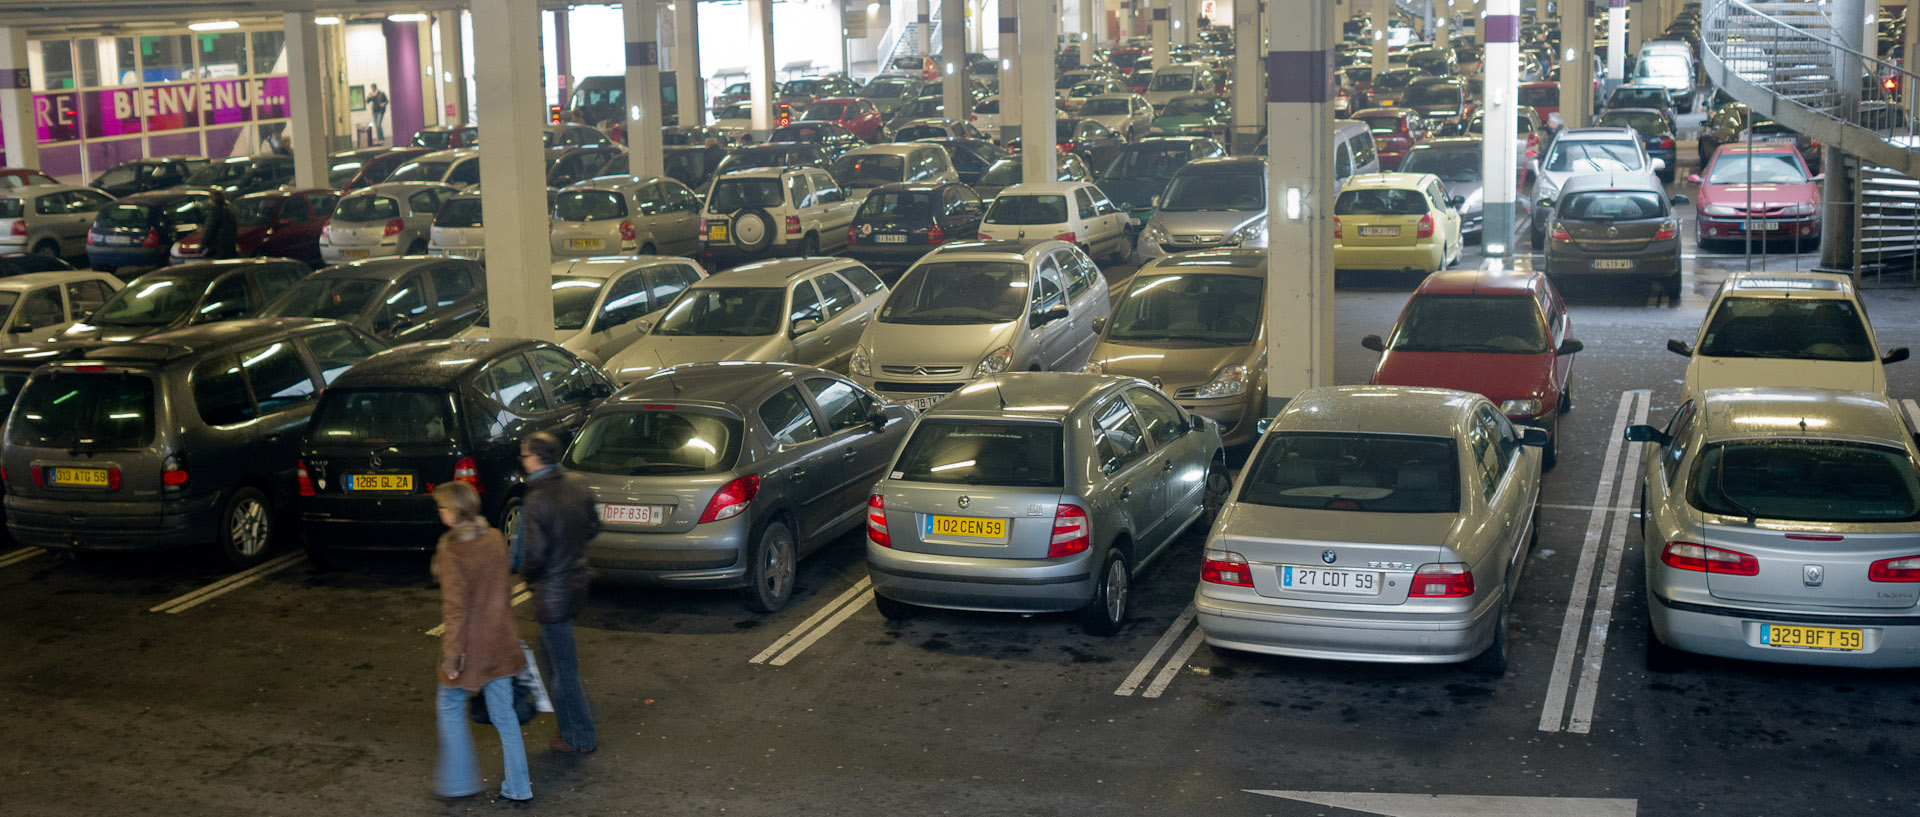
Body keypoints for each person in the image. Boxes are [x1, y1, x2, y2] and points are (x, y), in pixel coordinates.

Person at [431, 481, 532, 803]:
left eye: (442, 507)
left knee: (449, 705)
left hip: (471, 648)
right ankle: (519, 787)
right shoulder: (493, 538)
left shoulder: (451, 548)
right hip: (500, 641)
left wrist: (452, 657)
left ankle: (459, 781)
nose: (439, 512)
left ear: (455, 511)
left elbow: (457, 610)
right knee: (504, 716)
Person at [518, 431, 599, 754]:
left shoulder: (537, 499)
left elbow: (534, 556)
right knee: (551, 657)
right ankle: (570, 726)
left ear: (537, 458)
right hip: (576, 583)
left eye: (524, 455)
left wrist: (527, 576)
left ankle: (580, 736)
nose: (522, 461)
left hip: (553, 593)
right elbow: (593, 526)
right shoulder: (577, 483)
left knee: (563, 671)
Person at [201, 190, 238, 260]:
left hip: (218, 248)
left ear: (212, 200)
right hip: (229, 247)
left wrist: (203, 245)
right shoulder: (229, 212)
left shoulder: (214, 213)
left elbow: (210, 230)